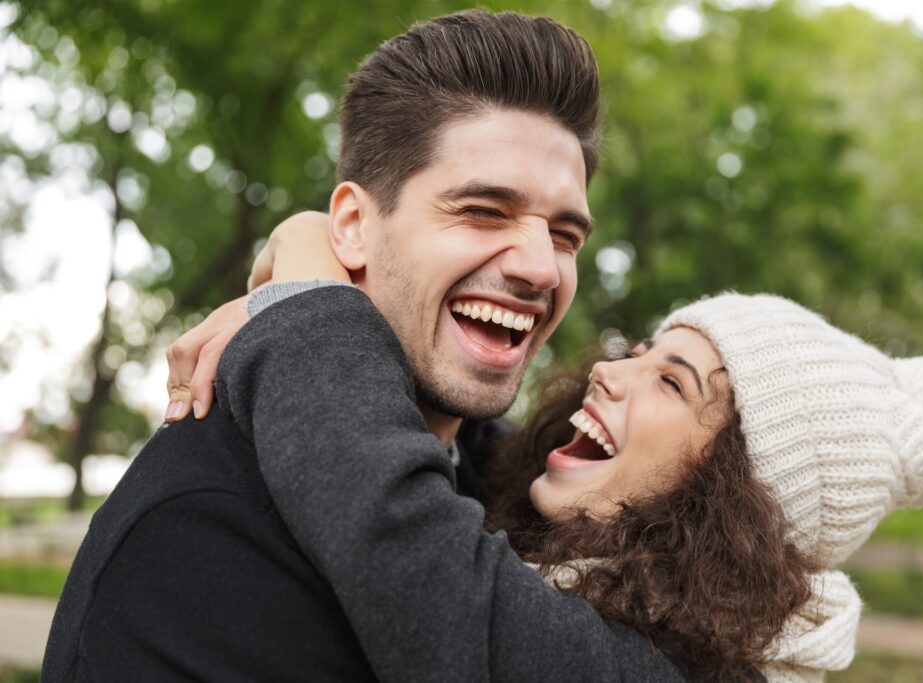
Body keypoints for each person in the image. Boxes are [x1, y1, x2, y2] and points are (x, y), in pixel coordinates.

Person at [44, 10, 700, 682]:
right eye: (482, 211)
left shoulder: (495, 487)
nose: (539, 266)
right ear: (353, 226)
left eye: (565, 235)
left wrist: (302, 302)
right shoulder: (205, 532)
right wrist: (310, 311)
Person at [194, 247, 923, 682]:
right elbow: (467, 443)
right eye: (644, 350)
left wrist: (308, 287)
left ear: (738, 501)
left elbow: (399, 535)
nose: (611, 370)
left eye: (671, 382)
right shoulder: (604, 585)